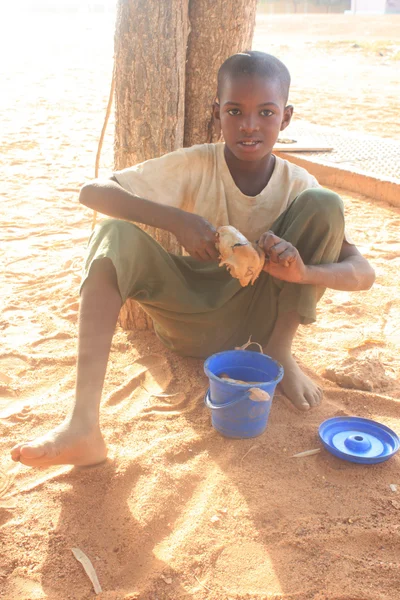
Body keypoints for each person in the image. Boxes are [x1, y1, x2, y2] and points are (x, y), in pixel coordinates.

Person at [11, 51, 375, 468]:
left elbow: (363, 273)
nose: (250, 125)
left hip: (260, 320)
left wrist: (303, 270)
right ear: (216, 112)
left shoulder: (298, 185)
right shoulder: (195, 164)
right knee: (112, 234)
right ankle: (82, 427)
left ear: (286, 118)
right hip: (191, 319)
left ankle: (279, 354)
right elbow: (92, 192)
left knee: (325, 204)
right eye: (235, 111)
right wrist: (176, 220)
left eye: (266, 112)